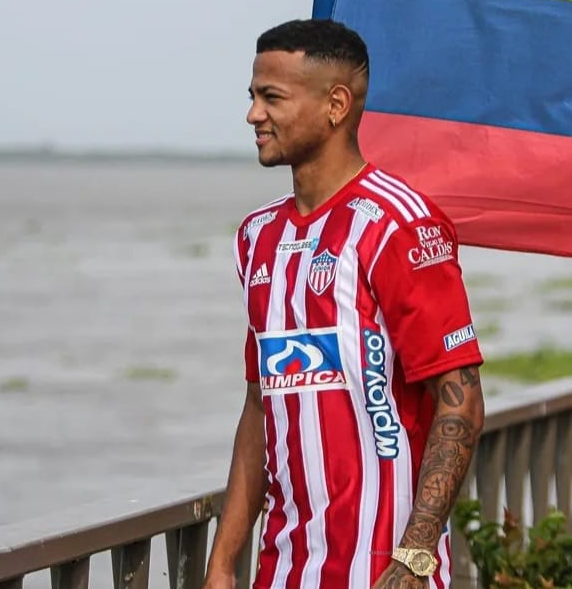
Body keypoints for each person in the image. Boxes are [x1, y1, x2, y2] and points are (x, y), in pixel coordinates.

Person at [203, 18, 486, 589]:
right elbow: (260, 407)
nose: (253, 114)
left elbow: (461, 403)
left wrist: (415, 557)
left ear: (335, 105)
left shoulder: (399, 225)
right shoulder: (257, 237)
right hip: (283, 571)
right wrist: (222, 563)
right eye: (252, 96)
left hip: (383, 571)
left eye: (271, 97)